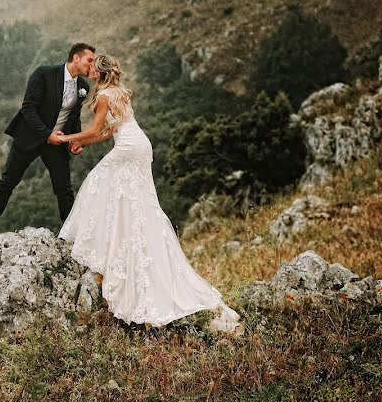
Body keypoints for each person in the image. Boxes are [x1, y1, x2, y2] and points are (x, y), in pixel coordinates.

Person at [56, 53, 243, 334]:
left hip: (130, 150)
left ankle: (100, 239)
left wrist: (66, 138)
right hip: (141, 146)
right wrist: (82, 143)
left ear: (100, 72)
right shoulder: (118, 91)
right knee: (135, 202)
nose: (89, 70)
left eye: (93, 67)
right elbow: (108, 132)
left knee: (96, 181)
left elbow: (97, 129)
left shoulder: (105, 95)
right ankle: (122, 235)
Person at [0, 42, 97, 242]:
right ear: (76, 58)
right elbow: (28, 108)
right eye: (89, 60)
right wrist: (47, 133)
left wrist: (77, 140)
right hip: (30, 137)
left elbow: (74, 117)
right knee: (8, 182)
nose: (92, 65)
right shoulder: (44, 74)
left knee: (64, 188)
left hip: (57, 143)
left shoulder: (83, 87)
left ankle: (70, 233)